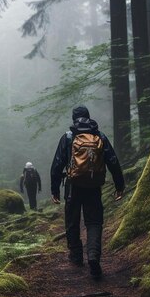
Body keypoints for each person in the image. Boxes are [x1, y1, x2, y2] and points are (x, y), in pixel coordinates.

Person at [50, 105, 124, 279]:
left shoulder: (68, 137)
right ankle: (93, 256)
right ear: (88, 117)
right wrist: (119, 186)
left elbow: (57, 165)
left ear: (73, 118)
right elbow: (113, 161)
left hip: (72, 186)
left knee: (72, 221)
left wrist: (54, 190)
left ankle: (76, 256)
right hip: (94, 186)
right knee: (94, 222)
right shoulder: (99, 136)